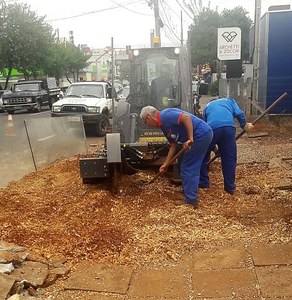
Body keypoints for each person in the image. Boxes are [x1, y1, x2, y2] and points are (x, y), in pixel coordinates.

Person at [140, 106, 213, 209]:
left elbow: (186, 118)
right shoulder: (164, 127)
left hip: (200, 135)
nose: (147, 125)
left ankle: (191, 200)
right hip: (200, 135)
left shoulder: (166, 115)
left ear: (149, 117)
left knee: (188, 166)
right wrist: (165, 164)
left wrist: (190, 138)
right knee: (182, 161)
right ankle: (189, 189)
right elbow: (173, 145)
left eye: (145, 122)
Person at [200, 97, 254, 195]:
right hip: (229, 128)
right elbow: (239, 113)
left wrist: (212, 148)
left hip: (212, 129)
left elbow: (205, 128)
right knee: (229, 159)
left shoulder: (207, 107)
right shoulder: (230, 101)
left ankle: (203, 183)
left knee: (202, 156)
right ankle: (230, 188)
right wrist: (244, 125)